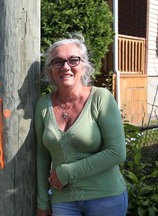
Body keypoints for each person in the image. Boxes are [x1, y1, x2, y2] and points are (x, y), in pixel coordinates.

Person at [35, 33, 128, 216]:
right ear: (51, 70)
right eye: (58, 62)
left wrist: (66, 172)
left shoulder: (101, 98)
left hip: (106, 198)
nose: (66, 67)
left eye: (73, 60)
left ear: (84, 67)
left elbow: (117, 152)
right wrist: (43, 202)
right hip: (63, 200)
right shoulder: (42, 105)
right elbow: (42, 155)